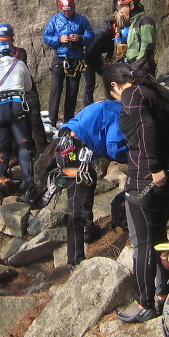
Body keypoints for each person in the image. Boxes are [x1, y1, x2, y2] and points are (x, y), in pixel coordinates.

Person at [103, 62, 169, 323]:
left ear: (114, 85)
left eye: (113, 95)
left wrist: (155, 167)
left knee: (143, 244)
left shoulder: (131, 94)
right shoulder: (161, 91)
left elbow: (146, 128)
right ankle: (163, 292)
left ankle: (146, 304)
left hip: (146, 177)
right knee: (157, 235)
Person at [56, 99, 127, 267]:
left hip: (69, 146)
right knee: (78, 208)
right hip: (74, 152)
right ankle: (75, 261)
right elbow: (114, 148)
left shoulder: (111, 105)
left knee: (89, 181)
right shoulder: (119, 112)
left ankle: (88, 229)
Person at [0, 40, 35, 199]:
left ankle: (1, 182)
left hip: (0, 109)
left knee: (3, 148)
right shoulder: (20, 64)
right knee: (24, 146)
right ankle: (28, 183)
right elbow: (28, 86)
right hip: (17, 107)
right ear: (11, 52)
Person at [0, 23, 47, 150]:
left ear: (12, 38)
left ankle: (42, 149)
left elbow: (21, 67)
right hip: (6, 94)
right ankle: (13, 151)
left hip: (24, 88)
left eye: (6, 40)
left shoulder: (19, 52)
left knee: (35, 119)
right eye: (0, 40)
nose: (3, 43)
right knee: (9, 122)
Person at [42, 0, 95, 127]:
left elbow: (90, 36)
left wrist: (80, 38)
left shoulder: (81, 20)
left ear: (74, 7)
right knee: (55, 89)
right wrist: (59, 39)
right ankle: (52, 119)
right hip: (60, 58)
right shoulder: (54, 20)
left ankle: (68, 120)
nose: (67, 13)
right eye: (64, 10)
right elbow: (47, 37)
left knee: (72, 90)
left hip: (75, 59)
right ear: (60, 9)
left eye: (69, 9)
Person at [117, 0, 157, 77]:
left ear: (132, 6)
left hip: (141, 71)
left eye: (123, 6)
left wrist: (134, 69)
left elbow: (147, 49)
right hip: (132, 68)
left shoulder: (145, 20)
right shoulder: (133, 23)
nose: (121, 11)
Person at [82, 13, 119, 107]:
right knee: (89, 85)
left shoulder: (110, 32)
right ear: (116, 27)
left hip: (96, 56)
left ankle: (113, 101)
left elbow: (111, 45)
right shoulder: (102, 32)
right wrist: (100, 65)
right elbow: (89, 52)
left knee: (109, 77)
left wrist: (108, 58)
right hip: (87, 58)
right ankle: (88, 108)